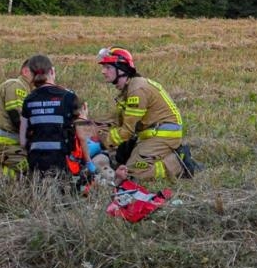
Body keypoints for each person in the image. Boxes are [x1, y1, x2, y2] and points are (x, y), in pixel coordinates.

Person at [95, 46, 189, 185]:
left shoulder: (137, 90)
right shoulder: (129, 87)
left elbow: (127, 131)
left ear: (121, 69)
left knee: (134, 173)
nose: (103, 71)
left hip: (163, 135)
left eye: (108, 67)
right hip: (150, 134)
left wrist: (103, 141)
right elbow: (116, 119)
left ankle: (176, 164)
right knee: (122, 159)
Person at [17, 55, 88, 184]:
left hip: (37, 165)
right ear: (52, 71)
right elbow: (83, 136)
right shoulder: (69, 97)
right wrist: (89, 163)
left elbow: (23, 141)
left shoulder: (28, 100)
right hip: (64, 164)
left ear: (31, 75)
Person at [0, 59, 38, 180]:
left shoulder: (24, 89)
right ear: (25, 71)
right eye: (36, 73)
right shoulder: (17, 85)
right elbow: (17, 117)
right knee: (30, 166)